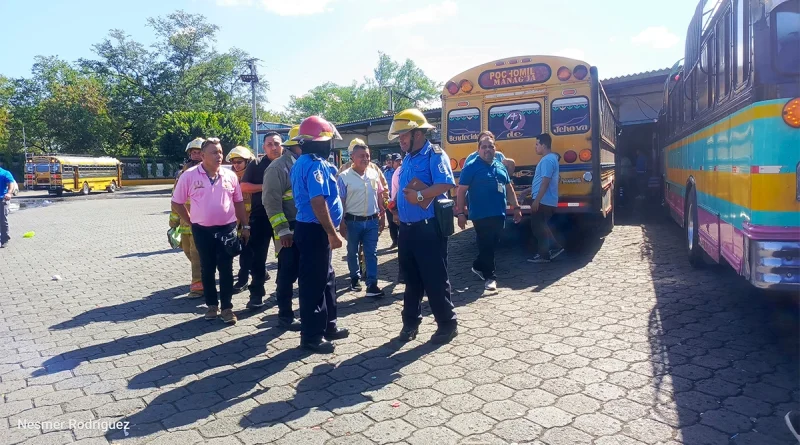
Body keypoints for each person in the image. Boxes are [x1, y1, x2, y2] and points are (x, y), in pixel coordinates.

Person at [390, 108, 458, 344]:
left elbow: (446, 183)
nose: (400, 139)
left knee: (435, 278)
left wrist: (419, 198)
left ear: (418, 133)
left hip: (428, 228)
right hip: (407, 229)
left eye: (404, 135)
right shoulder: (408, 157)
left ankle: (447, 324)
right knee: (411, 279)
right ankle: (410, 324)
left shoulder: (434, 154)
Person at [171, 138, 250, 324]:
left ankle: (227, 308)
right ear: (203, 156)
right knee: (207, 269)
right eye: (214, 152)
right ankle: (212, 306)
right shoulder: (189, 176)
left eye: (221, 152)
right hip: (202, 230)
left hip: (227, 229)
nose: (219, 156)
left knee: (226, 269)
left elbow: (238, 201)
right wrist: (190, 220)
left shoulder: (229, 175)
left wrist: (245, 226)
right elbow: (176, 202)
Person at [290, 116, 349, 353]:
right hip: (316, 231)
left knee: (326, 279)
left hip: (312, 230)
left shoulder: (303, 161)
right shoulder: (314, 164)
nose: (329, 146)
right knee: (314, 284)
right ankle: (311, 337)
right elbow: (317, 202)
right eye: (326, 141)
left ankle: (328, 326)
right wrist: (332, 233)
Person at [456, 131, 522, 291]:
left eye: (490, 147)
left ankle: (478, 265)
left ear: (495, 149)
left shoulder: (500, 166)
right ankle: (490, 277)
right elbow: (461, 191)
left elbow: (508, 187)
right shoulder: (471, 167)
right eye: (484, 147)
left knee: (493, 242)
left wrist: (516, 207)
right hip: (480, 214)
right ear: (478, 150)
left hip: (499, 213)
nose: (487, 150)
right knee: (486, 243)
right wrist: (461, 213)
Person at [262, 125, 302, 331]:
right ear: (299, 144)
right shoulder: (278, 168)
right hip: (289, 230)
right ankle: (285, 315)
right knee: (287, 274)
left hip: (305, 228)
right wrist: (283, 231)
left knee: (305, 273)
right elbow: (271, 202)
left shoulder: (303, 164)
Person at [338, 140, 386, 297]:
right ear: (352, 157)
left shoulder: (373, 174)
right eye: (361, 156)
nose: (365, 159)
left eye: (367, 156)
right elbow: (341, 201)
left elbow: (379, 195)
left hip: (372, 221)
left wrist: (382, 215)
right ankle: (354, 278)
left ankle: (372, 284)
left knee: (371, 253)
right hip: (352, 222)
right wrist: (342, 221)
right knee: (352, 252)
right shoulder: (344, 177)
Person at [239, 133, 278, 309]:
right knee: (258, 257)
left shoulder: (288, 163)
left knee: (287, 257)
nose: (273, 147)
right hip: (260, 216)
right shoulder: (256, 164)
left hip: (284, 217)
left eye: (276, 143)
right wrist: (266, 187)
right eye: (269, 144)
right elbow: (244, 186)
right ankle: (256, 293)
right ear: (264, 147)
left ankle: (282, 291)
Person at [169, 137, 205, 297]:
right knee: (187, 251)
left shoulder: (207, 173)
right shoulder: (183, 173)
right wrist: (173, 221)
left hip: (201, 221)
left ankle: (198, 286)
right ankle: (206, 273)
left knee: (196, 253)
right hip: (185, 221)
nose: (196, 155)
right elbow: (175, 198)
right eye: (194, 152)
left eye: (199, 152)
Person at [527, 133, 564, 263]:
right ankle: (552, 249)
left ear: (543, 145)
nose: (535, 147)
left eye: (537, 144)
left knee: (538, 227)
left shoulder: (547, 160)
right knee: (542, 226)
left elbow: (545, 181)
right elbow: (540, 182)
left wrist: (537, 200)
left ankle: (545, 254)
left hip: (544, 200)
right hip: (546, 199)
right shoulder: (549, 159)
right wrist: (527, 191)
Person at [226, 146, 256, 294]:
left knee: (246, 252)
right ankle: (260, 272)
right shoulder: (229, 177)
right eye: (234, 162)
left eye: (239, 161)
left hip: (251, 222)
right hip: (234, 223)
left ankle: (243, 280)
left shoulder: (253, 177)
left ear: (247, 161)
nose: (236, 165)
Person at [383, 153, 400, 248]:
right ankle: (395, 240)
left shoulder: (401, 171)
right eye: (396, 161)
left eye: (399, 160)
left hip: (399, 198)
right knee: (391, 221)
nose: (399, 162)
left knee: (401, 221)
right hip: (389, 199)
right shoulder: (385, 172)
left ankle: (402, 241)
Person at [0, 165, 19, 248]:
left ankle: (4, 239)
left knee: (2, 219)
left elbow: (11, 184)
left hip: (2, 199)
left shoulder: (5, 173)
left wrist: (9, 193)